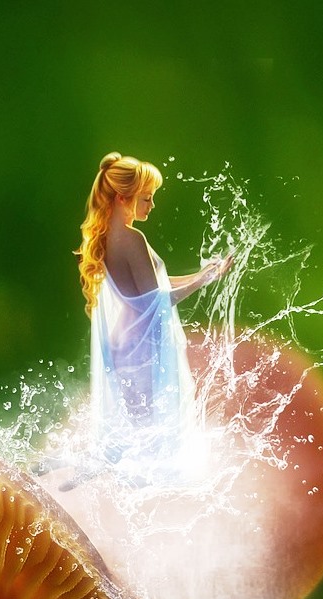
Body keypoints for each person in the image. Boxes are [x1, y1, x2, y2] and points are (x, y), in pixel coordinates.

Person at [75, 153, 231, 464]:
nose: (152, 205)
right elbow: (157, 301)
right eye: (146, 198)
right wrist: (204, 280)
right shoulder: (132, 238)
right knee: (147, 442)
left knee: (136, 435)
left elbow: (153, 284)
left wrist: (202, 274)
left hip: (125, 343)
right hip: (139, 350)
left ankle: (89, 471)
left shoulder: (108, 237)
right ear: (123, 198)